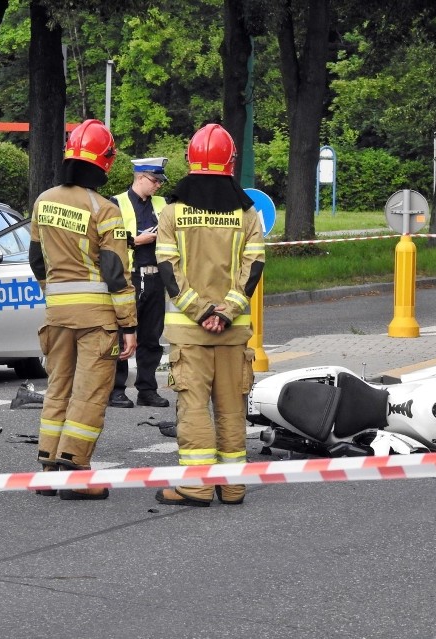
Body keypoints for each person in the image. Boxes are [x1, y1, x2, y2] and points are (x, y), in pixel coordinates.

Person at [153, 124, 265, 507]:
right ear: (231, 164)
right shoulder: (248, 215)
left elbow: (168, 269)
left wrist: (202, 314)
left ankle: (197, 486)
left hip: (190, 333)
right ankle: (233, 487)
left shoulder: (172, 213)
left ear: (190, 160)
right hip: (233, 334)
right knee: (232, 410)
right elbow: (253, 268)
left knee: (194, 407)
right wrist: (227, 311)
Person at [28, 119, 137, 501]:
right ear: (104, 161)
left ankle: (48, 467)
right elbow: (114, 272)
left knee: (57, 388)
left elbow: (36, 260)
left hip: (57, 315)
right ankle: (74, 470)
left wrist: (54, 294)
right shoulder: (104, 208)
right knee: (89, 393)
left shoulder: (43, 200)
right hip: (97, 319)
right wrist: (128, 325)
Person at [108, 157, 171, 409]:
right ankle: (116, 389)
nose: (158, 186)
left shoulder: (163, 204)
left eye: (160, 182)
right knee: (123, 333)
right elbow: (109, 238)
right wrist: (137, 240)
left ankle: (147, 389)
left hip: (156, 276)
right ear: (140, 177)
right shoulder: (116, 203)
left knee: (151, 337)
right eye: (154, 181)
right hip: (129, 275)